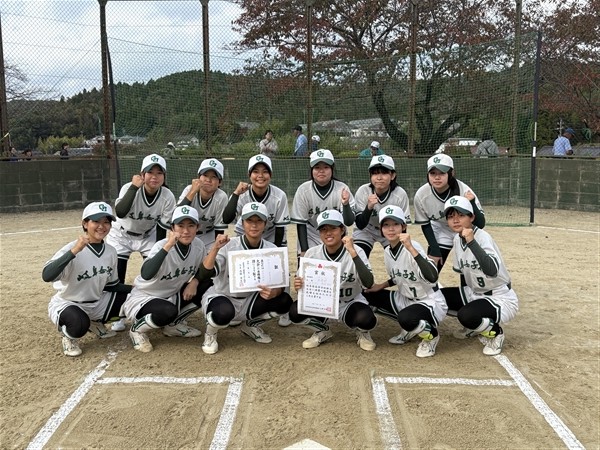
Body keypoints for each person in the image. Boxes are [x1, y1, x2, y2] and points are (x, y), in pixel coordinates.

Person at [123, 206, 223, 352]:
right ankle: (137, 330)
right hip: (145, 297)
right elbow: (146, 274)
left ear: (197, 227)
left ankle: (173, 325)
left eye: (191, 225)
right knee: (167, 311)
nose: (185, 231)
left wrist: (194, 281)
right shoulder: (161, 245)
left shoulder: (198, 245)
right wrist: (168, 245)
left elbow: (204, 271)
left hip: (171, 295)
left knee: (206, 283)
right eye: (180, 226)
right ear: (172, 228)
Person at [200, 202, 293, 354]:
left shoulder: (271, 249)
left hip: (250, 300)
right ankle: (210, 333)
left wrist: (274, 292)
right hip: (223, 297)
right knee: (223, 313)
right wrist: (215, 248)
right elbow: (205, 273)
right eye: (249, 220)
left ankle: (250, 325)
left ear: (265, 224)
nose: (254, 225)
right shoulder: (228, 245)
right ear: (242, 223)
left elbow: (281, 284)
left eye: (259, 221)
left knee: (284, 301)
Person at [42, 202, 131, 357]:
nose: (101, 226)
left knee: (134, 301)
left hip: (96, 303)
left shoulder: (110, 251)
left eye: (106, 222)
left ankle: (94, 323)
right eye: (96, 221)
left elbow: (111, 286)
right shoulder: (71, 248)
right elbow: (47, 275)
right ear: (85, 224)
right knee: (79, 325)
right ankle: (69, 336)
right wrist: (75, 250)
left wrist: (135, 289)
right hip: (68, 303)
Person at [363, 206, 446, 358]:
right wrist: (381, 286)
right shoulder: (388, 251)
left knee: (406, 318)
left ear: (403, 227)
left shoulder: (414, 246)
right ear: (381, 229)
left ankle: (431, 336)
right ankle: (412, 328)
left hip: (429, 301)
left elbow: (432, 276)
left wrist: (410, 248)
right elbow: (398, 276)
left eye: (395, 224)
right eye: (386, 225)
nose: (391, 229)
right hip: (406, 299)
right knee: (367, 296)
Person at [106, 154, 176, 332]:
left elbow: (162, 229)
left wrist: (158, 253)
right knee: (117, 274)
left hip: (148, 235)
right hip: (121, 234)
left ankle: (149, 308)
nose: (154, 176)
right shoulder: (129, 188)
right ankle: (117, 315)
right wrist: (133, 188)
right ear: (142, 174)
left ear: (164, 176)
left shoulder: (167, 196)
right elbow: (120, 212)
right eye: (150, 172)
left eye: (159, 173)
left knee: (154, 273)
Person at [289, 210, 377, 351]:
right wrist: (298, 284)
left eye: (333, 228)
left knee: (366, 320)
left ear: (342, 230)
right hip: (322, 303)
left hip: (349, 302)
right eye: (323, 229)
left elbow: (368, 283)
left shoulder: (356, 251)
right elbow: (301, 284)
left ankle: (362, 332)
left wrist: (353, 253)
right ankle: (322, 330)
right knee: (295, 311)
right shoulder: (312, 253)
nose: (328, 233)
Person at [441, 196, 518, 355]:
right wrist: (467, 303)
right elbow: (463, 275)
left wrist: (472, 242)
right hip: (474, 293)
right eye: (451, 216)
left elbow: (491, 270)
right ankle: (476, 325)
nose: (455, 220)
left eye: (461, 215)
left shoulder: (482, 237)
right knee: (438, 298)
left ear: (472, 217)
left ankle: (495, 333)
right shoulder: (457, 239)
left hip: (499, 297)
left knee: (466, 315)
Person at [413, 154, 485, 273]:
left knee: (467, 269)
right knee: (431, 270)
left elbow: (481, 224)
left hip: (464, 229)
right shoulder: (421, 195)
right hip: (440, 228)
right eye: (433, 173)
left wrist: (471, 203)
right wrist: (434, 250)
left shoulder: (464, 191)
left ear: (451, 173)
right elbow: (425, 224)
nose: (437, 177)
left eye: (442, 173)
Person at [291, 149, 356, 257]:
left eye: (326, 167)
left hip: (336, 235)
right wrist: (304, 250)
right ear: (311, 170)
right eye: (317, 167)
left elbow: (349, 222)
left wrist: (345, 204)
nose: (321, 171)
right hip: (311, 234)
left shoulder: (342, 188)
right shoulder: (303, 190)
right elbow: (301, 223)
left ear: (332, 169)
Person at [223, 154, 289, 247]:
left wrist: (274, 250)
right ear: (249, 175)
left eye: (265, 172)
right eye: (255, 172)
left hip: (270, 235)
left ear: (270, 175)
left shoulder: (279, 196)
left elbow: (280, 228)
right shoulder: (242, 194)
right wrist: (236, 194)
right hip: (245, 235)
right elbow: (227, 219)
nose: (260, 176)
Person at [353, 155, 410, 257]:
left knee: (398, 256)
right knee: (358, 256)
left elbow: (403, 227)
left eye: (384, 173)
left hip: (390, 229)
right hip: (367, 229)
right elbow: (360, 225)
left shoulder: (400, 194)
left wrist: (401, 244)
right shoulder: (363, 191)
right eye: (375, 173)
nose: (379, 178)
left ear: (392, 175)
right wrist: (369, 207)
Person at [177, 158, 229, 251]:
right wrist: (192, 192)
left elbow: (219, 228)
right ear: (198, 177)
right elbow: (177, 215)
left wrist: (216, 249)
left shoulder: (221, 197)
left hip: (209, 235)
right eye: (205, 175)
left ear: (220, 182)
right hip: (187, 234)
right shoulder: (189, 190)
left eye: (214, 177)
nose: (208, 180)